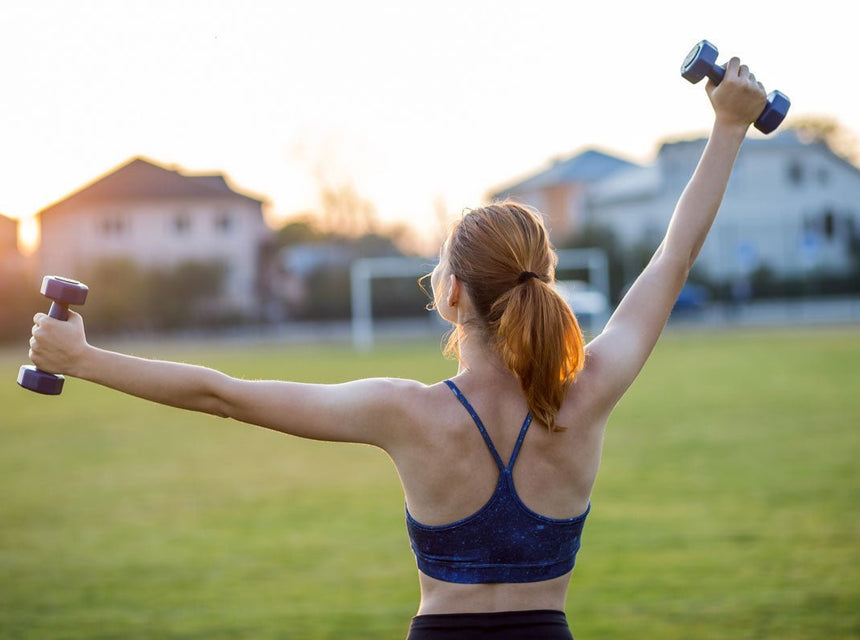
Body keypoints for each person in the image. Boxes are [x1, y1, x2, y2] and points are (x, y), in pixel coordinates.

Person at [27, 57, 767, 639]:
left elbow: (221, 394)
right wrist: (728, 127)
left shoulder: (402, 411)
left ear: (452, 295)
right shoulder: (589, 391)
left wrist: (83, 359)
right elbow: (674, 255)